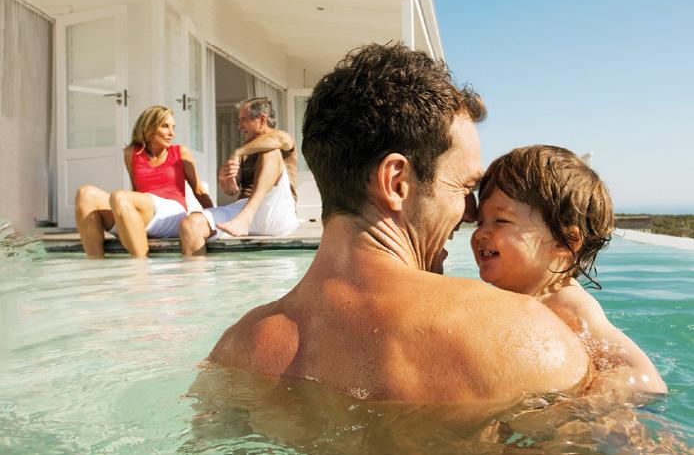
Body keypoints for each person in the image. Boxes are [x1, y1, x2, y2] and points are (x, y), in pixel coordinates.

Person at [205, 43, 590, 405]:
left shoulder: (235, 350)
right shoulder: (522, 338)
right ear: (396, 183)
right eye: (464, 187)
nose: (472, 214)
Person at [471, 145, 667, 394]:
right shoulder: (515, 298)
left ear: (564, 242)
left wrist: (586, 406)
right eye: (480, 222)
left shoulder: (566, 303)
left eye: (501, 220)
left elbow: (640, 376)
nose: (481, 233)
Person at [75, 105, 213, 258]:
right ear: (148, 127)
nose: (171, 133)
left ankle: (140, 265)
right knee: (85, 194)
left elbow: (198, 190)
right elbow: (136, 189)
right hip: (145, 212)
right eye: (165, 126)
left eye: (173, 127)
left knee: (120, 196)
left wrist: (214, 220)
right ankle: (95, 263)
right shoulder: (131, 153)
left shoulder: (180, 152)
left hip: (172, 214)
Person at [179, 97, 298, 255]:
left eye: (243, 120)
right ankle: (197, 272)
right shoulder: (246, 150)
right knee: (191, 224)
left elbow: (281, 139)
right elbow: (231, 191)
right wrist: (225, 179)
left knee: (270, 152)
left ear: (262, 120)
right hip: (243, 208)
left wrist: (237, 152)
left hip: (276, 210)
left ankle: (246, 217)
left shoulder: (281, 138)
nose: (239, 126)